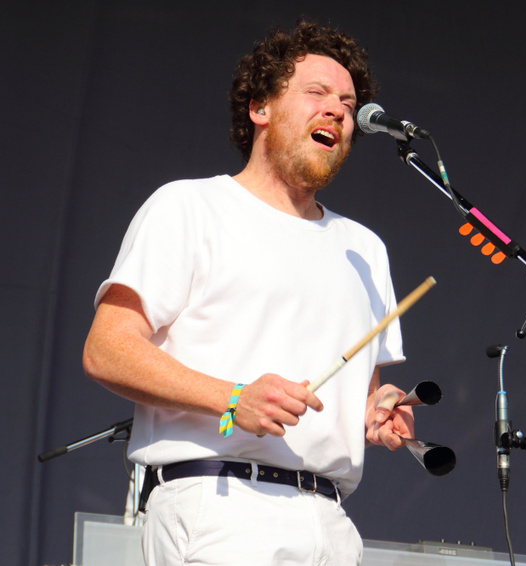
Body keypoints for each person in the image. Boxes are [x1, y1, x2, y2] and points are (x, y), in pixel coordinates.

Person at [82, 21, 413, 566]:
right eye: (317, 93)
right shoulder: (190, 208)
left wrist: (377, 409)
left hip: (331, 523)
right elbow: (107, 349)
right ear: (260, 107)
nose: (337, 110)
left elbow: (361, 387)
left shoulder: (364, 249)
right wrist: (234, 398)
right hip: (219, 507)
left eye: (349, 104)